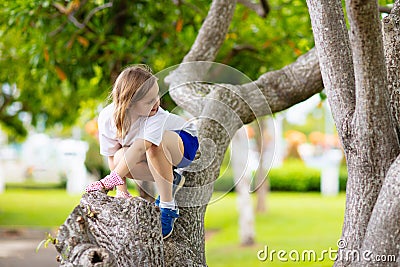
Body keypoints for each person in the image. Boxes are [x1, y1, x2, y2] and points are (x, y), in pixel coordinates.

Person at [85, 65, 199, 239]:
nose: (156, 104)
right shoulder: (107, 118)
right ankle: (172, 179)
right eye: (149, 101)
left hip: (183, 143)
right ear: (129, 102)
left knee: (154, 145)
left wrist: (107, 181)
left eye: (157, 96)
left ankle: (167, 206)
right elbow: (112, 155)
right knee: (119, 157)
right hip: (152, 154)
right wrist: (120, 190)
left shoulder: (156, 116)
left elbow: (140, 148)